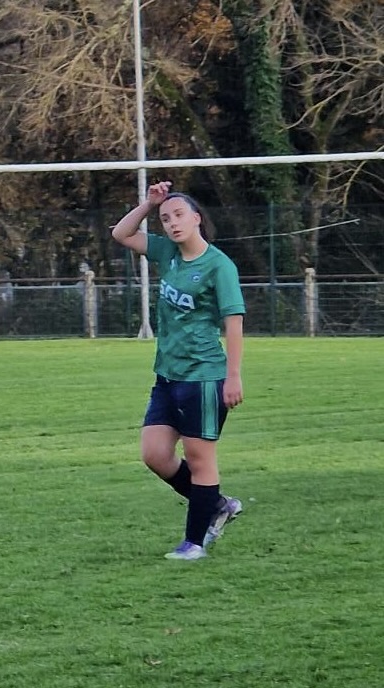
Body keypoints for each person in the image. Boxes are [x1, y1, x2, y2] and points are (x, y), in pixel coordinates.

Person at [111, 181, 245, 561]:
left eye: (178, 215)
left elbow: (233, 322)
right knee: (155, 454)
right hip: (167, 376)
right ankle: (218, 506)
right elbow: (121, 234)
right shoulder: (167, 252)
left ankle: (194, 543)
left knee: (201, 460)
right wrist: (148, 204)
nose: (172, 223)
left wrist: (233, 375)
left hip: (203, 376)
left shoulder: (219, 266)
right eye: (166, 218)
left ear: (197, 218)